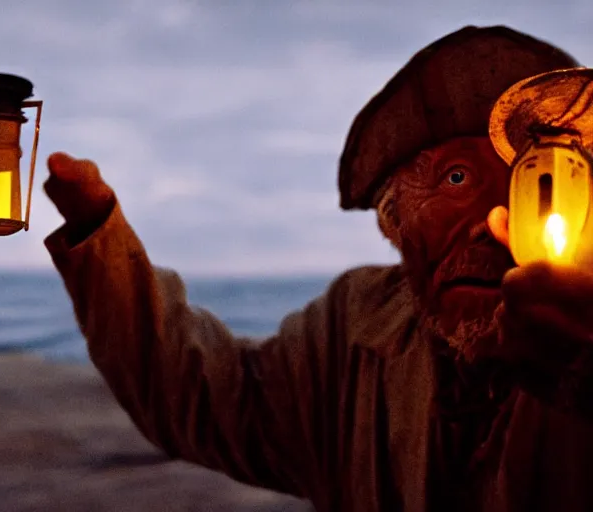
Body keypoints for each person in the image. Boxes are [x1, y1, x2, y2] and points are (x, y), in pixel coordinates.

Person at [41, 25, 593, 512]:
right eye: (455, 178)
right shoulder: (352, 328)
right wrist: (98, 233)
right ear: (393, 218)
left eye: (531, 176)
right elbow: (206, 396)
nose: (493, 218)